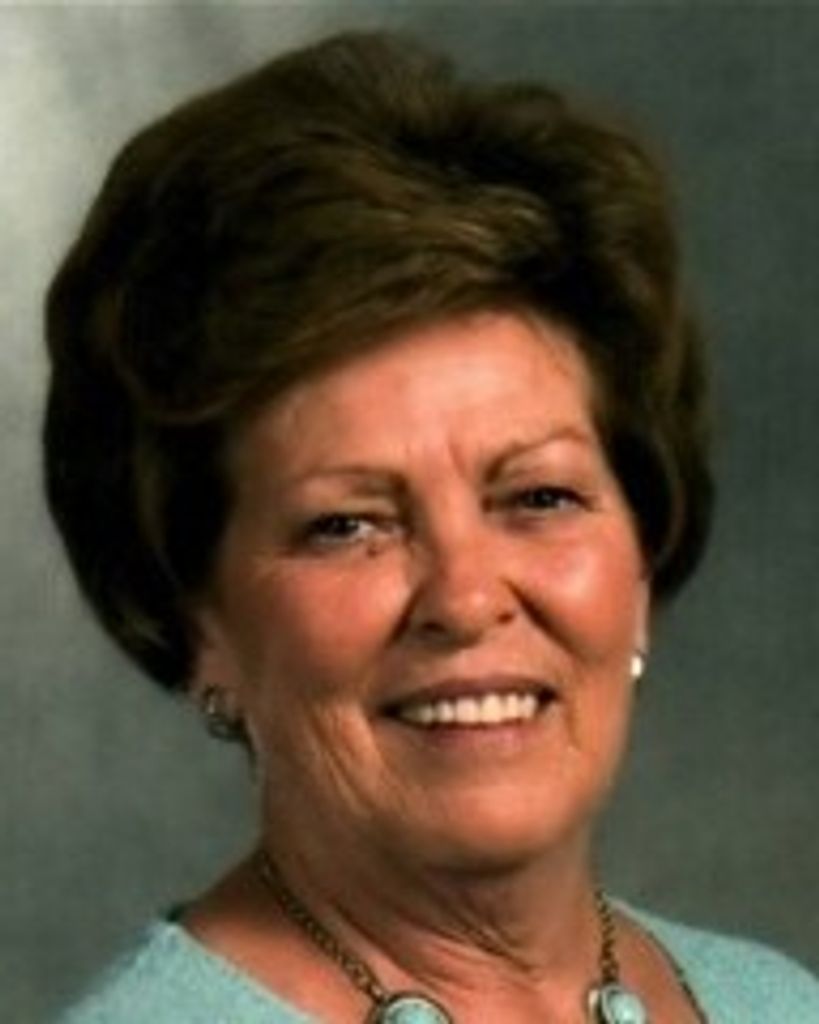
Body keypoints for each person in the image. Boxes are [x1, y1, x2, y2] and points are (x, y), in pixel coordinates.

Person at [45, 29, 818, 1024]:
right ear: (195, 620)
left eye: (539, 498)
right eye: (347, 524)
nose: (465, 596)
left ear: (638, 565)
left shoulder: (779, 1002)